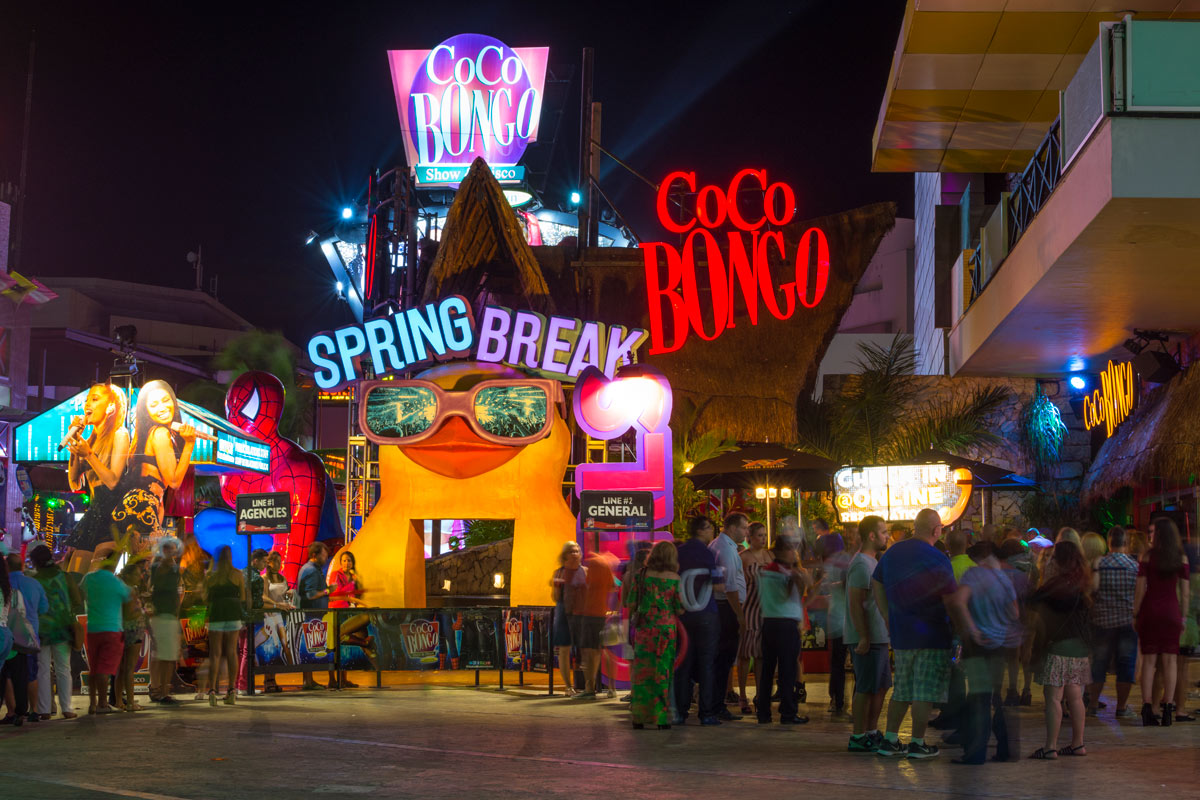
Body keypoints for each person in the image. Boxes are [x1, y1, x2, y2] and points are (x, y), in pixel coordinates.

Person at [871, 508, 956, 759]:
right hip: (932, 633)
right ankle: (917, 743)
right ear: (936, 530)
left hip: (901, 633)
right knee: (924, 691)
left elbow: (876, 582)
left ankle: (890, 739)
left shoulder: (893, 551)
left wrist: (886, 614)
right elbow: (951, 597)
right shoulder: (938, 558)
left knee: (902, 690)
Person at [947, 541, 1021, 764]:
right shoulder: (1003, 578)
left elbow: (958, 602)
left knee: (979, 698)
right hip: (999, 645)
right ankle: (1006, 749)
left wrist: (973, 628)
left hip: (979, 647)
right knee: (994, 698)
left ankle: (975, 753)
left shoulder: (973, 576)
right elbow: (1015, 613)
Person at [1027, 541, 1092, 758]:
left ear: (1059, 560)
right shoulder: (1084, 582)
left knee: (1053, 697)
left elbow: (1031, 601)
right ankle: (1078, 744)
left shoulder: (1056, 585)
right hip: (1079, 648)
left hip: (1057, 646)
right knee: (1075, 696)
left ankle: (1050, 746)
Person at [119, 380, 197, 541]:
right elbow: (174, 481)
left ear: (173, 402)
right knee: (147, 559)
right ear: (146, 411)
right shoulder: (160, 433)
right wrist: (189, 444)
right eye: (153, 404)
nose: (161, 408)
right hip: (143, 505)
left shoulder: (144, 436)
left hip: (137, 504)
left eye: (165, 400)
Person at [65, 383, 130, 573]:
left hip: (112, 518)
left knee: (95, 579)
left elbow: (112, 481)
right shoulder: (91, 440)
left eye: (95, 399)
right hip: (94, 513)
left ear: (111, 406)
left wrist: (89, 454)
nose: (87, 405)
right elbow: (73, 482)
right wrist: (76, 440)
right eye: (86, 400)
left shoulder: (120, 434)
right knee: (73, 575)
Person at [1133, 516, 1190, 726]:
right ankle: (1167, 708)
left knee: (1149, 662)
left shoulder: (1147, 556)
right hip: (1171, 612)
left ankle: (1147, 707)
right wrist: (1183, 617)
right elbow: (1185, 593)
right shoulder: (1181, 558)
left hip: (1150, 611)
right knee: (1170, 662)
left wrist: (1135, 613)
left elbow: (1140, 589)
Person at [624, 541, 684, 729]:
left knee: (642, 673)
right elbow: (680, 608)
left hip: (644, 629)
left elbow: (630, 603)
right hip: (666, 631)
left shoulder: (640, 576)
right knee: (662, 673)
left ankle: (639, 717)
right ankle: (661, 718)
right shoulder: (674, 578)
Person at [846, 515, 890, 752]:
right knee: (865, 687)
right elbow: (856, 602)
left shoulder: (873, 562)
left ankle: (871, 731)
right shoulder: (862, 564)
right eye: (883, 532)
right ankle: (858, 735)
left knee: (880, 686)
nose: (887, 536)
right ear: (871, 535)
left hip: (878, 635)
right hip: (868, 636)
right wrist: (863, 635)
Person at [756, 535, 811, 725]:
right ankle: (788, 712)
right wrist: (801, 579)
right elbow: (790, 596)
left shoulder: (765, 571)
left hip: (769, 623)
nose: (793, 553)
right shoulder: (785, 572)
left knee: (768, 670)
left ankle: (763, 712)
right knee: (787, 670)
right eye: (790, 549)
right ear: (780, 551)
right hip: (786, 624)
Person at [1087, 526, 1139, 718]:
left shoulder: (1099, 564)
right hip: (1127, 622)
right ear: (1125, 543)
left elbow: (1092, 590)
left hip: (1102, 621)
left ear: (1109, 542)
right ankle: (1122, 707)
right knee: (1126, 665)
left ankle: (1092, 704)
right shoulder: (1134, 566)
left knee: (1099, 663)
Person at [674, 516, 721, 725]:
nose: (713, 532)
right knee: (707, 664)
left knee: (682, 663)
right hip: (706, 614)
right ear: (702, 530)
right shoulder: (707, 553)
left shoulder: (679, 552)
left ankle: (680, 711)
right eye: (711, 528)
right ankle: (707, 713)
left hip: (683, 616)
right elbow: (719, 584)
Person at [29, 545, 81, 720]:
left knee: (42, 670)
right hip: (62, 628)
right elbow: (77, 600)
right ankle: (66, 708)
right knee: (63, 669)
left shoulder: (34, 580)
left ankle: (44, 710)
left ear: (35, 562)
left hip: (41, 630)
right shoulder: (65, 577)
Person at [709, 512, 748, 721]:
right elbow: (730, 586)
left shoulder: (725, 546)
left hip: (725, 606)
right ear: (732, 528)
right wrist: (740, 616)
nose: (746, 532)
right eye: (744, 528)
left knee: (723, 658)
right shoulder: (725, 549)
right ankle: (716, 705)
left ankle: (716, 703)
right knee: (724, 658)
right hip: (727, 608)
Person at [80, 556, 131, 714]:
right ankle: (103, 703)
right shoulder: (117, 583)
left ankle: (93, 703)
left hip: (93, 628)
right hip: (112, 628)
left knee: (94, 668)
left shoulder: (88, 578)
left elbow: (80, 593)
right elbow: (128, 603)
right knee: (104, 669)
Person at [5, 552, 47, 725]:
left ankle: (12, 711)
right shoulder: (34, 584)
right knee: (30, 674)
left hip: (8, 639)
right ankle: (34, 710)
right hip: (29, 638)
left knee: (7, 674)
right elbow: (44, 608)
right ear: (22, 566)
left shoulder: (5, 585)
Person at [203, 546, 248, 706]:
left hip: (216, 615)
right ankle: (231, 691)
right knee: (231, 652)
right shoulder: (237, 574)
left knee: (215, 654)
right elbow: (242, 596)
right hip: (232, 614)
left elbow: (206, 598)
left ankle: (213, 692)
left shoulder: (211, 577)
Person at [736, 521, 770, 714]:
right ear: (751, 537)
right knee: (745, 654)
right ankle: (742, 695)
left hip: (766, 609)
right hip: (749, 608)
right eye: (760, 536)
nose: (763, 539)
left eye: (765, 535)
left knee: (761, 655)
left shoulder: (769, 555)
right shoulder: (743, 557)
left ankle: (760, 694)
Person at [817, 530, 852, 717]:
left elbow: (825, 586)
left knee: (837, 663)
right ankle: (850, 700)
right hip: (850, 618)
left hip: (838, 618)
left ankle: (837, 700)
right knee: (854, 663)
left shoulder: (831, 563)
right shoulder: (851, 559)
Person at [999, 536, 1037, 706]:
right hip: (1029, 612)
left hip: (1010, 615)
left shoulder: (1003, 570)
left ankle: (1012, 690)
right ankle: (1027, 690)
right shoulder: (1031, 568)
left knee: (1012, 656)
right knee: (1027, 653)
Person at [147, 536, 182, 704]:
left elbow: (177, 592)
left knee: (164, 655)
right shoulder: (157, 568)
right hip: (161, 615)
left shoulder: (174, 569)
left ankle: (160, 689)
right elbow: (156, 584)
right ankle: (159, 689)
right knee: (162, 656)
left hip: (167, 615)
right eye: (170, 550)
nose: (173, 554)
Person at [549, 541, 585, 697]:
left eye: (577, 550)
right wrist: (556, 587)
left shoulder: (585, 571)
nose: (575, 553)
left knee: (587, 649)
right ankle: (568, 686)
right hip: (564, 613)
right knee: (564, 650)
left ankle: (587, 685)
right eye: (571, 551)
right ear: (565, 555)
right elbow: (555, 598)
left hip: (582, 613)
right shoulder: (559, 573)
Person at [1, 551, 31, 726]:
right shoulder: (12, 591)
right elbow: (21, 614)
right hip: (12, 638)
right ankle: (20, 711)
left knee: (4, 678)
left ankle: (11, 711)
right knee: (20, 677)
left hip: (4, 636)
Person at [579, 550, 615, 697]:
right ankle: (611, 688)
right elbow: (613, 586)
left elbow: (586, 586)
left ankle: (589, 688)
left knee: (588, 651)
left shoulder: (594, 563)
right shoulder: (607, 563)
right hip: (602, 611)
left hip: (590, 612)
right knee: (603, 650)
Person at [298, 542, 332, 690]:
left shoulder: (312, 569)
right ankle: (308, 681)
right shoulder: (311, 570)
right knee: (310, 647)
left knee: (311, 647)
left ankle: (309, 680)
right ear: (314, 555)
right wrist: (327, 591)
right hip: (311, 614)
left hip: (313, 614)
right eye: (323, 555)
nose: (325, 558)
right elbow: (310, 594)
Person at [260, 550, 295, 693]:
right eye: (277, 561)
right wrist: (277, 604)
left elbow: (286, 597)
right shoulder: (264, 579)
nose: (280, 564)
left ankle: (278, 676)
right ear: (269, 562)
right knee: (271, 647)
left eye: (281, 561)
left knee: (284, 645)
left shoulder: (283, 578)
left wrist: (289, 595)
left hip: (282, 615)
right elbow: (263, 597)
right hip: (269, 614)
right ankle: (268, 680)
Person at [116, 559, 148, 712]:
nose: (140, 576)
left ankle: (118, 701)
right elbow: (130, 612)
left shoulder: (119, 588)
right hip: (133, 629)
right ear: (128, 576)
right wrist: (144, 611)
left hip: (120, 628)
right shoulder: (131, 590)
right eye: (137, 574)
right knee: (129, 668)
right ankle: (130, 701)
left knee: (121, 668)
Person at [236, 548, 269, 696]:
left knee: (241, 652)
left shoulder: (240, 573)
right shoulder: (256, 578)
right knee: (247, 652)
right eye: (264, 562)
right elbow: (257, 603)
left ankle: (238, 684)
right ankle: (245, 685)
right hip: (249, 618)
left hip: (237, 617)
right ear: (255, 561)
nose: (265, 565)